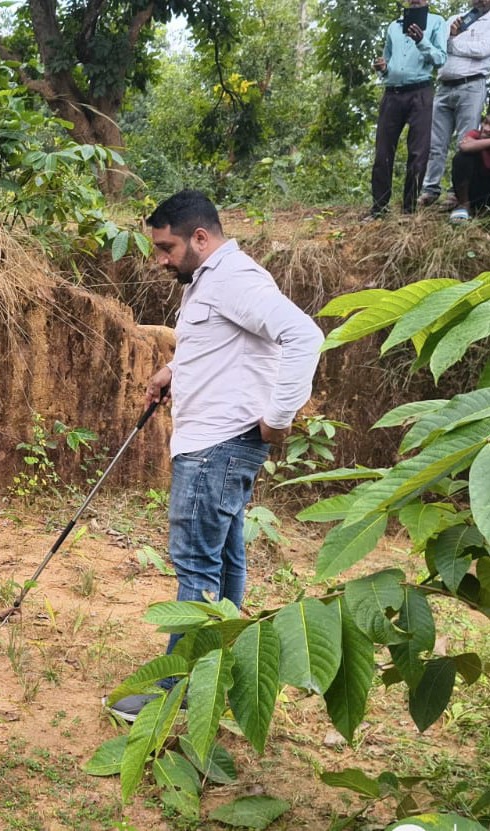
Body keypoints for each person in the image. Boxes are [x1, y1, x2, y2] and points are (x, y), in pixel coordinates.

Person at [107, 190, 324, 723]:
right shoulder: (208, 280)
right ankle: (220, 670)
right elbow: (221, 348)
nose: (159, 259)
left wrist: (278, 417)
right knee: (224, 561)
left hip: (217, 447)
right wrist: (172, 371)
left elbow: (304, 335)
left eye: (166, 247)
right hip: (213, 446)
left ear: (200, 238)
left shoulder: (234, 279)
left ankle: (173, 695)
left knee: (196, 568)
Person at [366, 0, 447, 219]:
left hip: (421, 92)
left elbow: (440, 58)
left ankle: (409, 209)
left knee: (418, 152)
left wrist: (422, 40)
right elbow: (389, 61)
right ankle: (379, 208)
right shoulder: (394, 26)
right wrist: (383, 68)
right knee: (383, 151)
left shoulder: (437, 22)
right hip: (392, 93)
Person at [418, 0, 490, 209]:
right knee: (435, 143)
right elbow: (438, 51)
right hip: (444, 86)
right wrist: (449, 36)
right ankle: (429, 190)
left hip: (472, 84)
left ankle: (456, 194)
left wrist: (451, 43)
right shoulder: (454, 20)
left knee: (465, 143)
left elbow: (482, 50)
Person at [448, 111, 490, 220]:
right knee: (462, 157)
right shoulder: (475, 134)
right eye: (486, 123)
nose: (486, 128)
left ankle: (484, 210)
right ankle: (464, 205)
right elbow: (465, 147)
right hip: (473, 190)